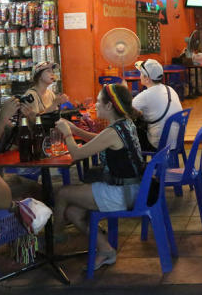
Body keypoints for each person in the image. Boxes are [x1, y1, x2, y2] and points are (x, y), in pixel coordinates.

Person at [53, 84, 145, 270]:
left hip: (122, 194)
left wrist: (68, 133)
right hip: (134, 188)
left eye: (98, 101)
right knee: (72, 212)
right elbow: (99, 139)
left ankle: (55, 239)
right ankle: (105, 250)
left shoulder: (113, 132)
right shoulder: (125, 123)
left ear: (109, 106)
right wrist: (77, 131)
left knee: (62, 193)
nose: (95, 104)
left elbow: (77, 155)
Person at [131, 59, 183, 151]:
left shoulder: (145, 95)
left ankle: (141, 164)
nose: (139, 76)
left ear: (147, 78)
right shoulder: (170, 89)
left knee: (135, 132)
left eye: (141, 73)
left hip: (160, 143)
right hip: (177, 140)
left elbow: (126, 110)